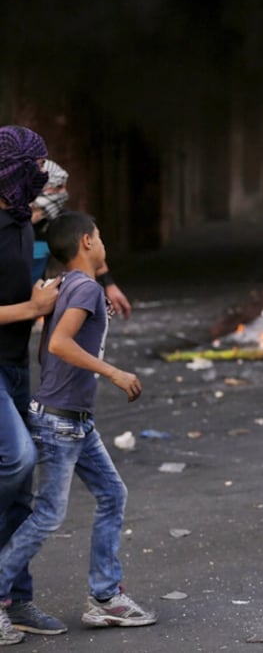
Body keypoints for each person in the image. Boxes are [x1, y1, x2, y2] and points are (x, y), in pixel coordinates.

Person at [0, 211, 156, 639]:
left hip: (73, 420)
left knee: (111, 493)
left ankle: (105, 598)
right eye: (101, 236)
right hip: (62, 422)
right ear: (87, 242)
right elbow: (59, 344)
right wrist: (114, 373)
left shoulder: (64, 285)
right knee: (49, 514)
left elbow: (47, 352)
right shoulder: (84, 287)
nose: (104, 243)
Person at [0, 125, 65, 645]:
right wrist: (32, 307)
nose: (44, 172)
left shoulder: (22, 221)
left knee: (23, 486)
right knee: (16, 460)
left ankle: (15, 598)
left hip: (16, 365)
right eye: (37, 164)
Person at [31, 160, 133, 319]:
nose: (64, 193)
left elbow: (88, 251)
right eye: (58, 188)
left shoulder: (62, 222)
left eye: (65, 187)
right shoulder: (13, 225)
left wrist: (109, 285)